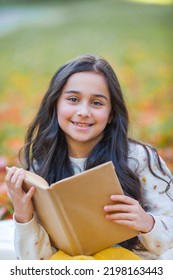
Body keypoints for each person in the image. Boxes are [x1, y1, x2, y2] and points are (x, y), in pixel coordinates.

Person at [5, 54, 173, 260]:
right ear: (55, 104)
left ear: (111, 113)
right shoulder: (42, 165)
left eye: (97, 103)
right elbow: (35, 261)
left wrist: (147, 222)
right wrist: (24, 215)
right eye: (73, 99)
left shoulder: (139, 158)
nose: (83, 111)